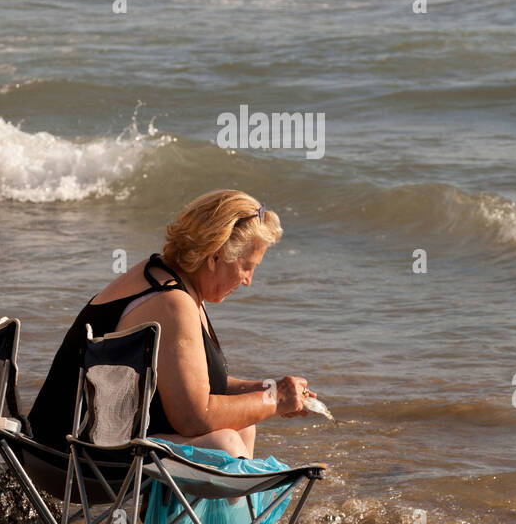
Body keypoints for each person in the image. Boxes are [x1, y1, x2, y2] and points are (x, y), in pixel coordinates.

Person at [29, 189, 314, 458]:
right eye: (247, 266)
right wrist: (275, 399)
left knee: (244, 426)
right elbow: (194, 417)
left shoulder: (168, 277)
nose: (248, 280)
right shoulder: (171, 301)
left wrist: (269, 389)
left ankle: (237, 512)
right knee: (222, 444)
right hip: (72, 454)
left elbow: (193, 385)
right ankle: (251, 512)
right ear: (215, 256)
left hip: (89, 440)